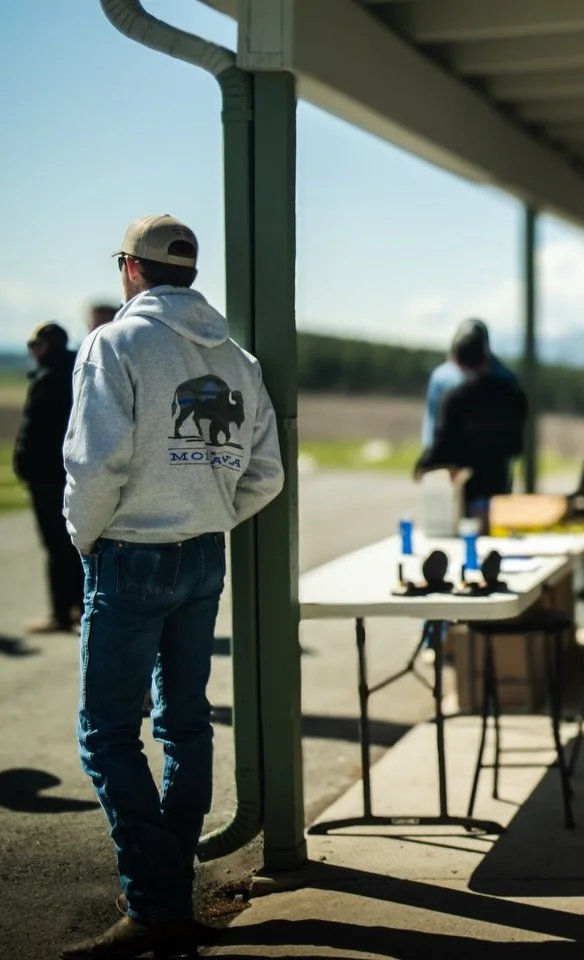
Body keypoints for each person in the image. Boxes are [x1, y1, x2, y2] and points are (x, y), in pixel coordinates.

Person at [61, 214, 284, 960]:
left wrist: (85, 538)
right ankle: (167, 894)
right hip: (203, 555)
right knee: (185, 722)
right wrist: (212, 510)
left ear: (131, 268)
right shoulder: (240, 360)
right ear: (188, 274)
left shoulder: (116, 344)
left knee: (105, 734)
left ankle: (156, 902)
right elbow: (268, 472)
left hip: (130, 554)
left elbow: (94, 466)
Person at [415, 318, 528, 516]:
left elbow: (436, 431)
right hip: (491, 474)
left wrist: (428, 462)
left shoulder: (445, 382)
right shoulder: (509, 384)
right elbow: (516, 443)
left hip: (463, 473)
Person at [13, 321, 81, 633]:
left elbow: (33, 432)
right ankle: (80, 607)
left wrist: (25, 468)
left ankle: (60, 613)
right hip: (71, 475)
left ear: (45, 347)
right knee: (74, 544)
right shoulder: (76, 373)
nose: (32, 353)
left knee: (56, 547)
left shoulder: (47, 378)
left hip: (47, 478)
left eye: (34, 346)